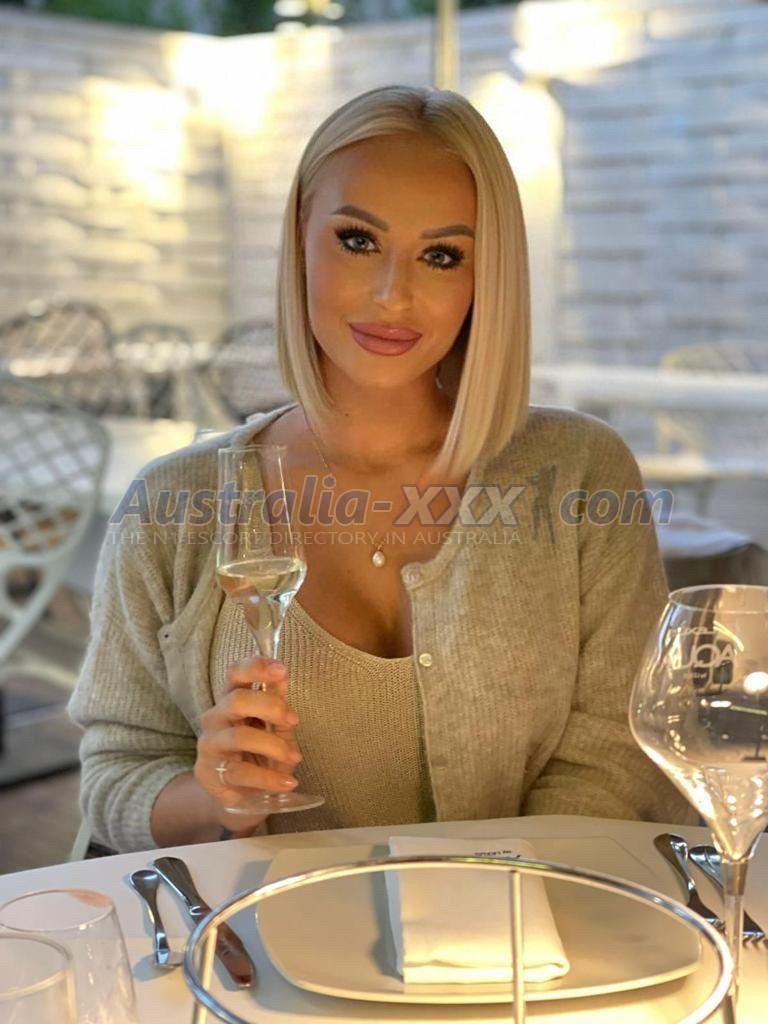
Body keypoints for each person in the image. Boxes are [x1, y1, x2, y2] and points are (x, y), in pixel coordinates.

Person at [69, 85, 693, 854]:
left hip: (526, 924)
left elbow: (617, 753)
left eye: (441, 255)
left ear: (485, 276)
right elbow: (118, 771)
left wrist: (478, 907)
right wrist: (213, 797)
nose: (395, 295)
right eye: (358, 240)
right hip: (264, 928)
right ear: (300, 238)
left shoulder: (581, 473)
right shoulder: (173, 503)